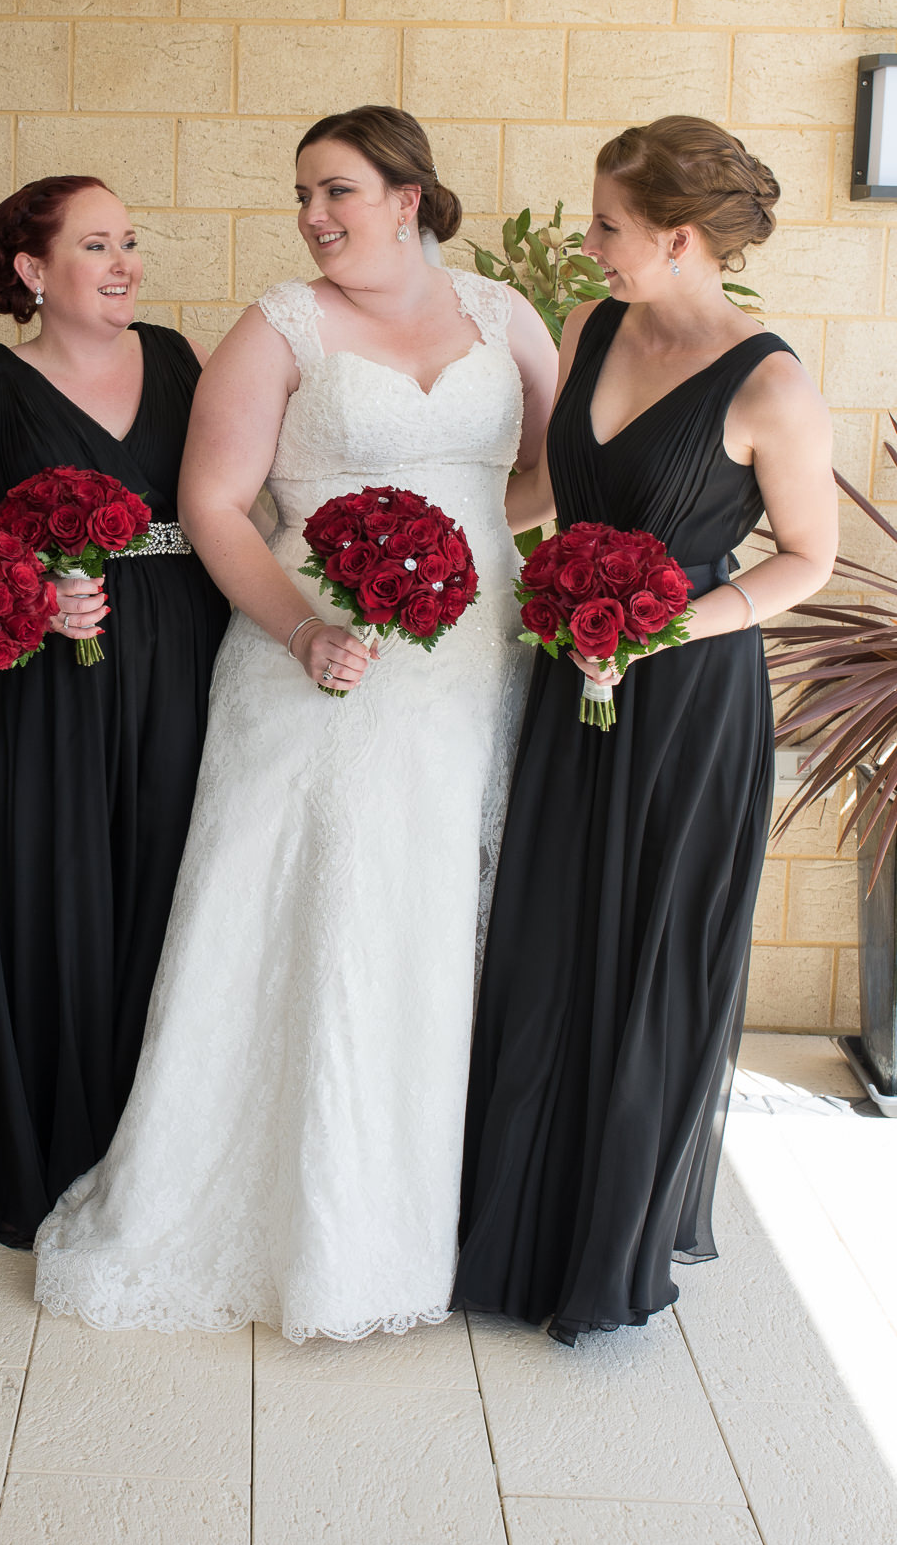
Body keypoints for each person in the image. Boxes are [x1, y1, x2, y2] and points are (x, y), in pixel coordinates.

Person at [33, 106, 558, 1342]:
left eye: (336, 192)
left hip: (466, 657)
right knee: (310, 906)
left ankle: (434, 1215)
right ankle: (290, 1223)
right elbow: (212, 501)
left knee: (437, 906)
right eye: (303, 197)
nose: (313, 217)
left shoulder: (503, 317)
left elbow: (544, 468)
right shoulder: (280, 323)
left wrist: (467, 536)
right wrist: (302, 625)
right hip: (310, 651)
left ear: (408, 198)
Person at [452, 116, 838, 1346]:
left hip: (684, 700)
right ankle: (506, 1226)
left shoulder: (770, 382)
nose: (587, 241)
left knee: (644, 959)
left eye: (607, 224)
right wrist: (427, 523)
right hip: (572, 680)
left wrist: (668, 627)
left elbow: (807, 559)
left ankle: (602, 1250)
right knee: (543, 938)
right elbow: (553, 490)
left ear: (675, 238)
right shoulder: (590, 326)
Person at [0, 176, 229, 1251]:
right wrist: (30, 592)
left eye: (130, 240)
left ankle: (148, 1155)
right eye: (96, 244)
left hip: (178, 658)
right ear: (33, 272)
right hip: (35, 689)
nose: (126, 261)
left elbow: (241, 500)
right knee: (46, 893)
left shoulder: (182, 362)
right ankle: (27, 1149)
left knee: (162, 885)